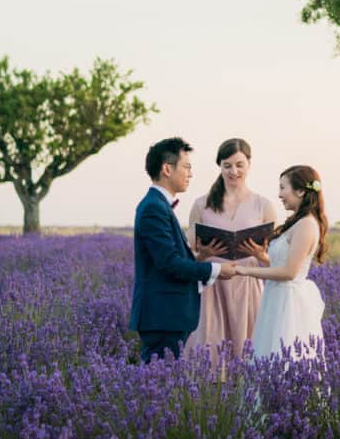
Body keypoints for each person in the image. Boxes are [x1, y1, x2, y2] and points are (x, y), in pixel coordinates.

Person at [130, 137, 238, 364]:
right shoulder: (153, 208)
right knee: (157, 386)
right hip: (162, 317)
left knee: (161, 384)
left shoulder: (158, 205)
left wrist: (201, 256)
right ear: (167, 169)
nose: (190, 174)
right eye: (186, 167)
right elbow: (169, 263)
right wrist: (216, 269)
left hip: (167, 316)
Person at [183, 138, 279, 362]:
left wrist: (258, 254)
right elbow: (189, 257)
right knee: (210, 357)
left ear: (249, 164)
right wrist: (204, 255)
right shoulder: (201, 205)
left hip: (249, 286)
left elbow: (275, 262)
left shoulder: (263, 205)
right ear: (220, 167)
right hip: (213, 286)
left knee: (251, 357)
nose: (233, 171)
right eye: (227, 165)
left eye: (239, 165)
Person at [237, 165, 328, 362]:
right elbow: (283, 262)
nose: (279, 195)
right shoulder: (297, 221)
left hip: (288, 302)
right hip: (276, 297)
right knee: (269, 354)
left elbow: (289, 272)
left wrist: (246, 270)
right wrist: (261, 257)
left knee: (284, 355)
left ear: (301, 191)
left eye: (283, 188)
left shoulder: (306, 224)